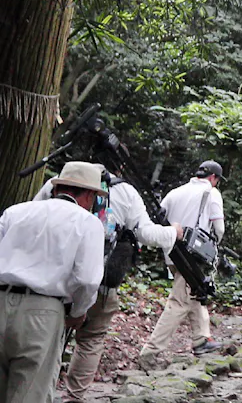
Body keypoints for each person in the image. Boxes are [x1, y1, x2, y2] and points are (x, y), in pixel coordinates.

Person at [33, 169, 180, 401]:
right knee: (91, 339)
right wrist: (174, 232)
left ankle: (44, 393)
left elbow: (34, 216)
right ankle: (74, 396)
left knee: (48, 338)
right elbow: (146, 234)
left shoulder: (55, 186)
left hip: (48, 279)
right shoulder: (126, 191)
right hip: (101, 281)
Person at [0, 162, 105, 403]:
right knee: (30, 392)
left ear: (57, 188)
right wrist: (79, 312)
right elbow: (88, 280)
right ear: (89, 195)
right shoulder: (88, 223)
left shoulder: (16, 211)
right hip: (43, 313)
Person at [139, 160, 226, 367]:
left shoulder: (174, 193)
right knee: (178, 303)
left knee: (194, 293)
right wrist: (213, 248)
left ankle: (202, 339)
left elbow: (157, 220)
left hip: (172, 253)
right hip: (193, 256)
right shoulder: (211, 193)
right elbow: (219, 229)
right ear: (214, 178)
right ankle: (150, 352)